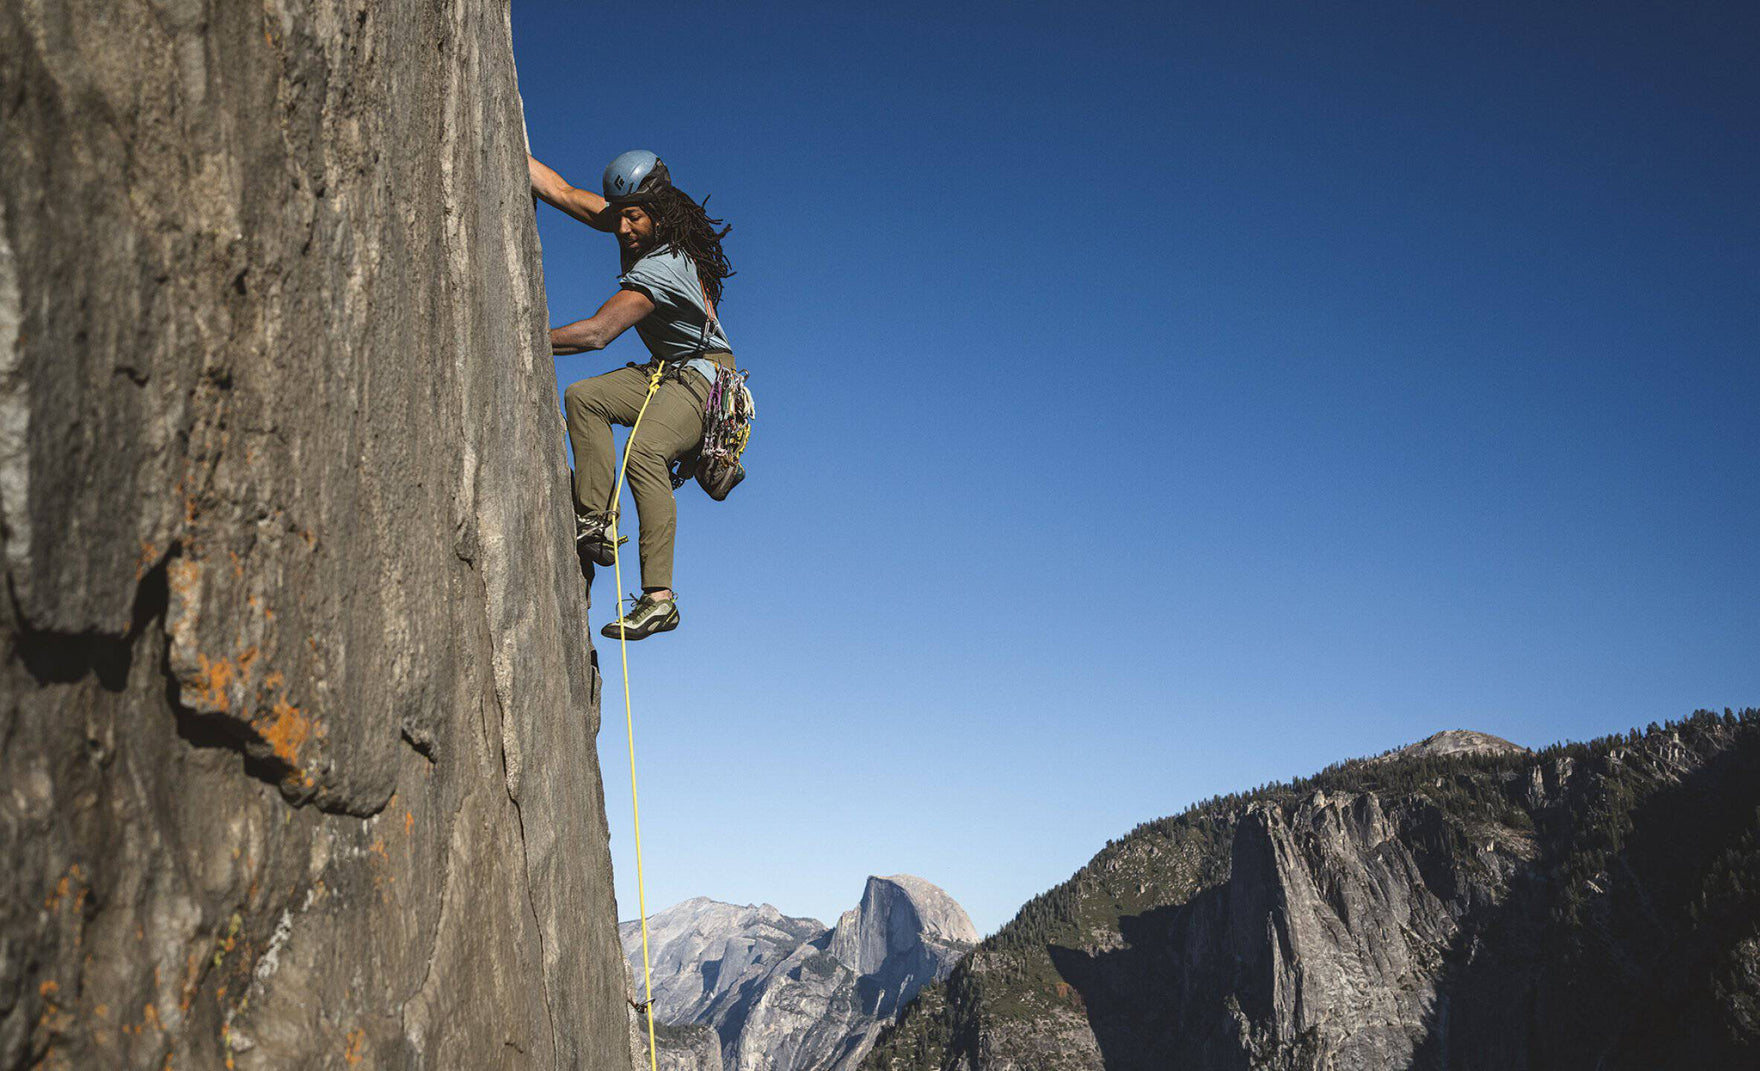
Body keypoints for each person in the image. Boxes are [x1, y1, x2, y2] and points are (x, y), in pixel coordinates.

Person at [528, 149, 736, 641]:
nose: (622, 229)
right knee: (585, 397)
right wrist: (514, 147)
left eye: (633, 218)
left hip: (706, 377)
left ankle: (659, 600)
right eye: (619, 215)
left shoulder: (664, 266)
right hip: (667, 369)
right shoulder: (634, 223)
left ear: (659, 214)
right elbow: (564, 193)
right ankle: (596, 521)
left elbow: (598, 333)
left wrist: (521, 334)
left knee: (645, 453)